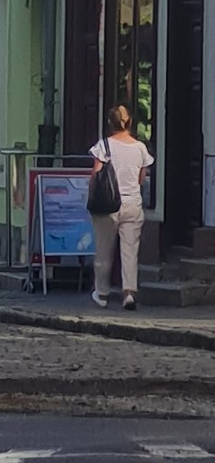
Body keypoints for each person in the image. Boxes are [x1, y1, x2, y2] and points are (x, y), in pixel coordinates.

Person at [90, 104, 154, 310]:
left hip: (109, 204)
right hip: (133, 203)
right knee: (130, 251)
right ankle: (129, 293)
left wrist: (92, 194)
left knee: (103, 250)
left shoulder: (104, 146)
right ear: (130, 122)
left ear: (110, 123)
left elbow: (96, 174)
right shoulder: (140, 148)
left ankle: (102, 293)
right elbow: (141, 179)